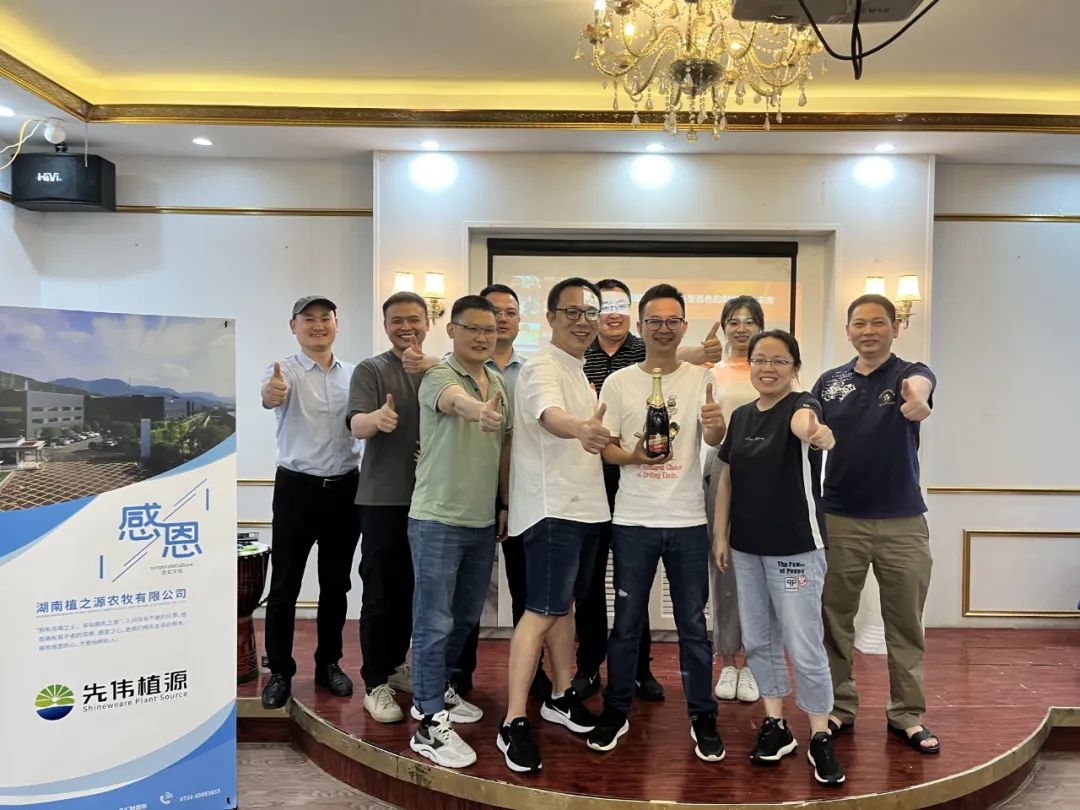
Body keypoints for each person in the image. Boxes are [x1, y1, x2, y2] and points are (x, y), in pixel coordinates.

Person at [587, 284, 727, 761]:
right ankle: (616, 710)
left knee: (693, 626)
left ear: (683, 326)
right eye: (655, 320)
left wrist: (715, 427)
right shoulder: (618, 382)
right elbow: (606, 449)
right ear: (641, 325)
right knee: (626, 625)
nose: (664, 328)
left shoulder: (702, 379)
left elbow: (715, 438)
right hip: (633, 520)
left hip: (688, 520)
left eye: (672, 321)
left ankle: (702, 715)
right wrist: (633, 456)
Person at [711, 329, 846, 786]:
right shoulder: (742, 416)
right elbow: (727, 478)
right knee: (759, 640)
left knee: (804, 644)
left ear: (795, 368)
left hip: (796, 550)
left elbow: (807, 425)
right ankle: (776, 724)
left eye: (779, 360)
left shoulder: (802, 405)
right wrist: (721, 534)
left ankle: (820, 733)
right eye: (760, 360)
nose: (768, 368)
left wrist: (818, 433)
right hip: (747, 548)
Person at [812, 294, 940, 755]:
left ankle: (907, 714)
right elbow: (807, 420)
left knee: (905, 624)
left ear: (895, 328)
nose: (868, 331)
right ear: (848, 331)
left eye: (878, 323)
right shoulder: (830, 382)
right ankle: (838, 707)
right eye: (859, 324)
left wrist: (919, 400)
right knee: (834, 620)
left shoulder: (910, 374)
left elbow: (922, 384)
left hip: (902, 522)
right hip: (839, 519)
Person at [497, 277, 610, 775]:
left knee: (561, 607)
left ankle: (561, 696)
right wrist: (580, 428)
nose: (583, 321)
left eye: (590, 312)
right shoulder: (542, 365)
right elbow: (549, 415)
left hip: (583, 507)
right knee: (541, 611)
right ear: (550, 318)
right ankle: (512, 720)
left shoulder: (579, 369)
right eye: (572, 312)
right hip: (552, 509)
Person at [407, 295, 513, 769]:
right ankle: (428, 721)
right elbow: (455, 402)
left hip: (481, 520)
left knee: (465, 617)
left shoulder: (498, 381)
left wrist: (504, 503)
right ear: (451, 331)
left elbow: (505, 447)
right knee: (433, 621)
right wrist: (477, 411)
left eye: (489, 330)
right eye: (473, 328)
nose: (482, 337)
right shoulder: (439, 374)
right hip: (436, 519)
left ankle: (440, 689)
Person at [259, 296, 362, 710]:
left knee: (336, 584)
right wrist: (271, 393)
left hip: (346, 489)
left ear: (337, 323)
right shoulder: (283, 371)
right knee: (285, 585)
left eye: (325, 318)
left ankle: (328, 664)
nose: (318, 325)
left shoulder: (354, 374)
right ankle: (280, 671)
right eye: (308, 319)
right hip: (296, 490)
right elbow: (270, 396)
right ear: (294, 326)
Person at [452, 283, 545, 698]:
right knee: (467, 590)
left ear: (519, 320)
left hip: (520, 491)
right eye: (493, 313)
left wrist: (508, 500)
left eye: (509, 312)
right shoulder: (457, 371)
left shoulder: (533, 371)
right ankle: (458, 674)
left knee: (527, 586)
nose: (500, 320)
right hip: (468, 491)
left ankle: (534, 674)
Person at [346, 291, 430, 724]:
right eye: (397, 320)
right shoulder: (371, 369)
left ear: (428, 323)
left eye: (413, 319)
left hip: (430, 499)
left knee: (414, 592)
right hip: (382, 499)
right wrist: (376, 420)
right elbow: (355, 422)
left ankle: (396, 665)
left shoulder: (440, 370)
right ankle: (375, 681)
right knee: (380, 593)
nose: (406, 327)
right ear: (385, 326)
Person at [704, 295, 765, 704]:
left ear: (760, 327)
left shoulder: (774, 369)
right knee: (723, 564)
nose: (741, 328)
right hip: (722, 466)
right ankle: (727, 659)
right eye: (734, 321)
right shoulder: (710, 371)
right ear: (724, 327)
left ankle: (756, 663)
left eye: (749, 321)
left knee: (762, 568)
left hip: (768, 474)